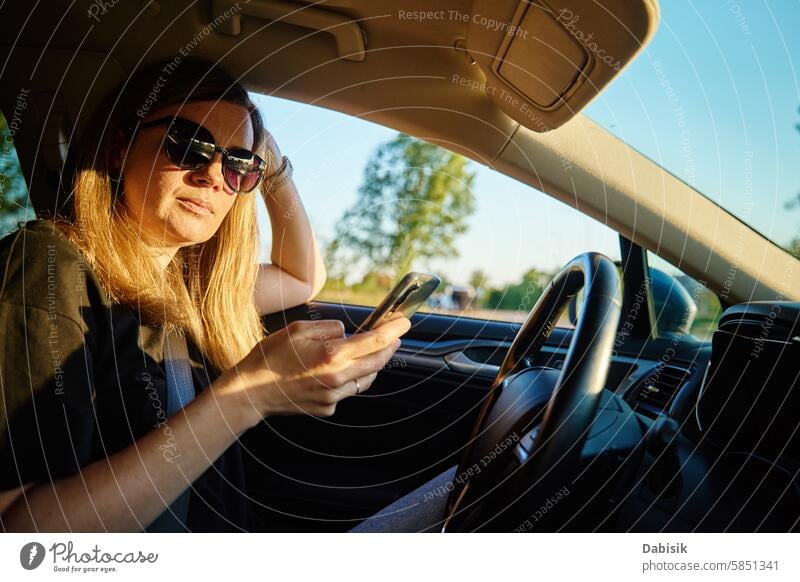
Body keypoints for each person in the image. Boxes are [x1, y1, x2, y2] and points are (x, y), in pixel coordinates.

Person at [0, 56, 411, 532]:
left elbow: (304, 276)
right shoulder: (45, 266)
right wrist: (247, 397)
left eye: (239, 165)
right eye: (189, 144)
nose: (214, 175)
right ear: (119, 148)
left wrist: (272, 168)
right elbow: (22, 537)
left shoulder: (185, 288)